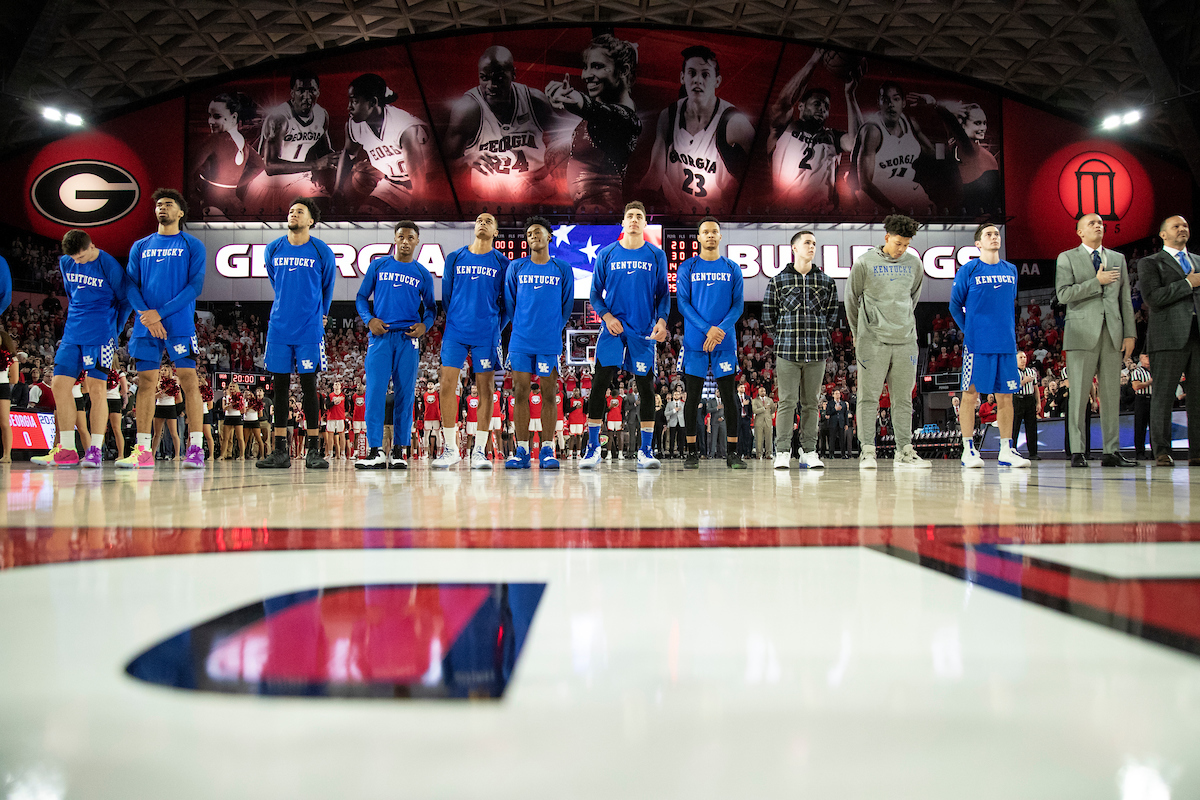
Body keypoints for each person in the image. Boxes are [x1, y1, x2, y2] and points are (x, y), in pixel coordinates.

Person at [116, 189, 206, 469]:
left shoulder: (193, 245)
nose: (161, 208)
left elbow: (195, 287)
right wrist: (146, 315)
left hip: (177, 323)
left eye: (168, 204)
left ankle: (195, 449)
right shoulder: (140, 245)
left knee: (189, 382)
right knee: (145, 384)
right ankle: (142, 451)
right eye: (158, 204)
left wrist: (159, 314)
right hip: (146, 323)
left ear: (180, 212)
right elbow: (130, 285)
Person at [580, 202, 669, 469]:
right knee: (599, 384)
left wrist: (662, 322)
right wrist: (606, 317)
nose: (633, 220)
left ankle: (646, 450)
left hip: (643, 331)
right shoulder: (607, 253)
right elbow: (595, 293)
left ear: (644, 224)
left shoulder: (656, 255)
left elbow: (663, 294)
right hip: (613, 329)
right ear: (623, 222)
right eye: (629, 216)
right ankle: (593, 447)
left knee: (645, 388)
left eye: (639, 216)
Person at [30, 229, 129, 468]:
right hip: (73, 332)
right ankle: (66, 449)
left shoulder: (109, 265)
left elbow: (125, 301)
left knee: (96, 390)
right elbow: (72, 294)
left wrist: (114, 333)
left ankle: (94, 450)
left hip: (101, 335)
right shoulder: (66, 261)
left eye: (81, 257)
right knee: (59, 385)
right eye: (74, 258)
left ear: (91, 246)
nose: (77, 262)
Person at [256, 198, 337, 470]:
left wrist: (322, 313)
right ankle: (280, 451)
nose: (293, 214)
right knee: (279, 389)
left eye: (299, 211)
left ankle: (314, 450)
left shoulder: (321, 250)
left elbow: (328, 285)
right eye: (291, 210)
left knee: (308, 387)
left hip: (309, 327)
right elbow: (274, 280)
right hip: (279, 327)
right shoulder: (273, 248)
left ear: (311, 220)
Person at [845, 214, 929, 469]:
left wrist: (901, 321)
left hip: (905, 340)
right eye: (897, 243)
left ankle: (905, 450)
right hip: (873, 341)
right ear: (886, 238)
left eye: (906, 244)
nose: (901, 249)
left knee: (903, 398)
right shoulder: (864, 263)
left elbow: (911, 299)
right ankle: (868, 451)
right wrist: (858, 334)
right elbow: (851, 300)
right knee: (868, 398)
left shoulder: (915, 264)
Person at [1055, 212, 1136, 467]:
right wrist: (1096, 282)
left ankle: (1111, 451)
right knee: (1078, 395)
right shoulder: (1066, 258)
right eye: (1092, 223)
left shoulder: (1118, 258)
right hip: (1080, 334)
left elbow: (1125, 298)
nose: (1098, 226)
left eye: (1101, 223)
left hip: (1112, 333)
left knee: (1112, 395)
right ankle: (1078, 451)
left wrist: (1130, 332)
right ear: (1080, 231)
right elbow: (1064, 294)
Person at [354, 220, 435, 469]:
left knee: (405, 394)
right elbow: (360, 298)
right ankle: (376, 450)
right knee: (375, 391)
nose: (406, 241)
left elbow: (431, 309)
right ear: (395, 239)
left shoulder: (422, 273)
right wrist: (369, 320)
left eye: (411, 237)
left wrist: (424, 327)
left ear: (417, 241)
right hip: (380, 337)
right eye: (401, 236)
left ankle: (399, 450)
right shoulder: (378, 265)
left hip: (407, 340)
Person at [950, 223, 1030, 468]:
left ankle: (1006, 449)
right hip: (977, 346)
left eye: (997, 234)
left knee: (1006, 397)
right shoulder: (969, 269)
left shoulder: (1011, 270)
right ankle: (968, 449)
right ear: (978, 243)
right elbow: (955, 306)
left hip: (1006, 345)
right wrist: (970, 332)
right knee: (970, 395)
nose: (994, 237)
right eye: (988, 234)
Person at [434, 212, 508, 470]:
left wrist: (495, 327)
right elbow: (446, 296)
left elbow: (508, 304)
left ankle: (480, 450)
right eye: (479, 220)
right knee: (445, 386)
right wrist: (456, 317)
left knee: (486, 390)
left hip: (485, 333)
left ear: (496, 231)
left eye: (489, 221)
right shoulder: (455, 257)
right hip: (455, 331)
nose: (483, 223)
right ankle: (451, 449)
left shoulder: (502, 262)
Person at [643, 46, 754, 214]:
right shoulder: (669, 115)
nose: (697, 80)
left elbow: (759, 175)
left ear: (717, 81)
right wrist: (636, 204)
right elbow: (655, 173)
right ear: (682, 77)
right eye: (692, 73)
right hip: (676, 217)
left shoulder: (733, 121)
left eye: (705, 74)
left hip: (716, 219)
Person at [502, 216, 574, 469]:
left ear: (549, 237)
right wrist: (521, 326)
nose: (533, 236)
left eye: (538, 232)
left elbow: (567, 306)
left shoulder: (562, 268)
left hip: (548, 342)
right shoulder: (516, 267)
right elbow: (510, 304)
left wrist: (552, 329)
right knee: (520, 393)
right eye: (529, 233)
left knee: (549, 394)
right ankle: (521, 449)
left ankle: (547, 450)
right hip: (521, 340)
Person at [763, 229, 838, 470]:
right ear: (794, 248)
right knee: (786, 402)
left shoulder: (826, 281)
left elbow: (832, 315)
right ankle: (782, 451)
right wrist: (784, 337)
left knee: (811, 404)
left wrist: (818, 334)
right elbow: (768, 317)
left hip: (817, 352)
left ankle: (809, 451)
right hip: (787, 352)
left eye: (814, 243)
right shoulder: (778, 281)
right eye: (807, 242)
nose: (812, 246)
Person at [443, 46, 558, 202]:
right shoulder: (468, 108)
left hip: (535, 187)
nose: (491, 85)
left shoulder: (535, 100)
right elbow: (445, 163)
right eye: (484, 78)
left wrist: (550, 166)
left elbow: (563, 144)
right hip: (490, 192)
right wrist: (467, 159)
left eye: (499, 78)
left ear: (513, 74)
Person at [676, 216, 745, 469]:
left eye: (714, 231)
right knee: (692, 398)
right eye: (705, 232)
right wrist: (708, 330)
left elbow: (738, 305)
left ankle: (733, 453)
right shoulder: (687, 268)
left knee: (730, 398)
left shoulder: (732, 267)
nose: (710, 236)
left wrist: (719, 330)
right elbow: (683, 304)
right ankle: (692, 452)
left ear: (720, 236)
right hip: (696, 342)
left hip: (724, 342)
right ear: (698, 237)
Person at [544, 35, 641, 214]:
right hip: (589, 214)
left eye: (597, 66)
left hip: (601, 214)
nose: (586, 75)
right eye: (586, 67)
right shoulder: (604, 113)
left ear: (623, 70)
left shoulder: (624, 119)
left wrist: (578, 101)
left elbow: (604, 114)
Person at [1137, 215, 1200, 467]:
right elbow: (1152, 298)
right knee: (1163, 396)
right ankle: (1162, 451)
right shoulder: (1150, 263)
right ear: (1163, 234)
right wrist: (1187, 283)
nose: (1182, 229)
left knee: (1197, 397)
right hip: (1167, 337)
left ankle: (1197, 451)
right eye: (1176, 226)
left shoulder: (1198, 261)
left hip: (1197, 336)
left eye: (1185, 225)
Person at [768, 49, 863, 210]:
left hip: (823, 214)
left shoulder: (832, 136)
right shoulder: (787, 128)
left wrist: (850, 94)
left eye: (826, 106)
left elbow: (858, 142)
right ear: (801, 106)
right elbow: (783, 103)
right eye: (817, 103)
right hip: (786, 213)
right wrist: (813, 61)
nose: (822, 109)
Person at [334, 73, 435, 214]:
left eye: (355, 101)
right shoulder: (354, 124)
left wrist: (414, 213)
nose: (349, 107)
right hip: (394, 183)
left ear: (373, 102)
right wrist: (338, 189)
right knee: (364, 217)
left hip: (429, 184)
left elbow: (419, 183)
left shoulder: (402, 127)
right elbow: (348, 153)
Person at [247, 70, 337, 213]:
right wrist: (315, 164)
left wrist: (345, 160)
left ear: (318, 92)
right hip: (269, 183)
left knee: (323, 207)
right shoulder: (280, 118)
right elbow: (270, 166)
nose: (307, 96)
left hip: (298, 179)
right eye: (301, 90)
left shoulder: (322, 114)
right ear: (292, 93)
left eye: (311, 90)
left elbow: (324, 152)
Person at [854, 83, 934, 214]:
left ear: (903, 103)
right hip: (878, 197)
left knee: (932, 213)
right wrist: (896, 211)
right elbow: (865, 184)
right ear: (878, 103)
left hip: (907, 191)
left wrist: (932, 107)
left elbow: (933, 153)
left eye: (895, 99)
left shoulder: (910, 122)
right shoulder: (873, 130)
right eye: (885, 100)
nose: (890, 104)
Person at [190, 93, 263, 218]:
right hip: (232, 203)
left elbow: (189, 169)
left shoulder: (214, 140)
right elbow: (259, 166)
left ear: (233, 117)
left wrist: (195, 195)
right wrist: (236, 185)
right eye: (210, 116)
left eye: (217, 116)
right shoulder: (244, 144)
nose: (210, 121)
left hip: (210, 202)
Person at [1012, 351, 1040, 460]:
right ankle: (1012, 451)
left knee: (1032, 427)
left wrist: (1038, 403)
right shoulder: (1012, 372)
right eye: (1020, 357)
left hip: (1029, 399)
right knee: (1015, 426)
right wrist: (1024, 381)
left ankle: (1033, 453)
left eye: (1024, 357)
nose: (1023, 359)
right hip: (1017, 399)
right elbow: (1013, 388)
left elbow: (1036, 388)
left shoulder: (1031, 371)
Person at [1129, 353, 1153, 460]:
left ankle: (1155, 452)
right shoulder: (1137, 371)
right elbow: (1136, 386)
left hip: (1153, 399)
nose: (1148, 359)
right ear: (1141, 359)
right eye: (1146, 357)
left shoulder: (1155, 370)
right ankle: (1139, 453)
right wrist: (1150, 382)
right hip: (1142, 399)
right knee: (1140, 427)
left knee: (1154, 427)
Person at [0, 330, 17, 463]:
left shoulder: (11, 358)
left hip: (2, 388)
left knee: (4, 422)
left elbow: (14, 379)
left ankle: (7, 454)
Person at [219, 383, 244, 460]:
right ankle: (222, 455)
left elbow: (241, 408)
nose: (232, 388)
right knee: (225, 438)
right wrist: (229, 405)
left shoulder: (239, 397)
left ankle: (242, 455)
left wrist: (236, 404)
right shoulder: (225, 397)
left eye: (233, 386)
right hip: (228, 417)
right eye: (230, 386)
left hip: (237, 417)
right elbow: (224, 408)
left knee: (240, 437)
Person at [326, 380, 348, 460]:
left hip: (340, 418)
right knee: (330, 436)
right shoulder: (330, 395)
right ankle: (330, 453)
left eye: (338, 384)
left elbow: (347, 407)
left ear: (340, 386)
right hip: (331, 417)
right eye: (335, 384)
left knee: (342, 435)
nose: (337, 385)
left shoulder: (344, 396)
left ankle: (342, 454)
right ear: (333, 386)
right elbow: (327, 406)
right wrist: (334, 402)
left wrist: (344, 414)